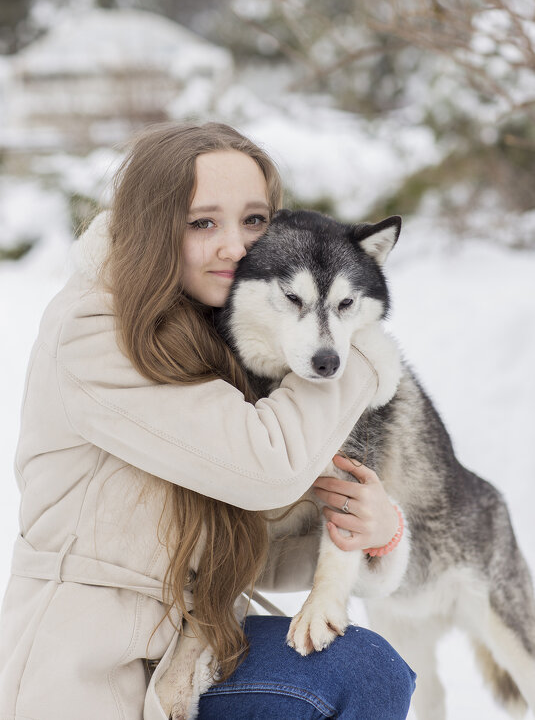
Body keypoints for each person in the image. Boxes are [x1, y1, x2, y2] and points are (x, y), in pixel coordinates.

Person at [0, 121, 415, 720]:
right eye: (203, 223)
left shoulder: (218, 332)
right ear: (152, 228)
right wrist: (361, 350)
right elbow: (266, 469)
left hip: (194, 646)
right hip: (93, 668)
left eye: (254, 221)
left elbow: (235, 548)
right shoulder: (93, 331)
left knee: (365, 670)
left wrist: (369, 535)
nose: (237, 247)